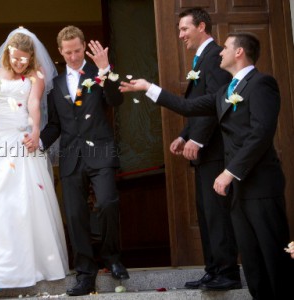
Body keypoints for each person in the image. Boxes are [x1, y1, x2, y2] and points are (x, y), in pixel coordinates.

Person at [119, 32, 294, 300]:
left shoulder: (262, 84)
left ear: (239, 52)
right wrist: (148, 88)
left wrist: (229, 171)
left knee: (273, 255)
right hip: (238, 191)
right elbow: (187, 106)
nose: (220, 52)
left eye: (225, 48)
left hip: (261, 185)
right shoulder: (224, 92)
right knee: (251, 258)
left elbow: (261, 134)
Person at [0, 28, 68, 290]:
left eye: (24, 59)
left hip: (22, 139)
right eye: (15, 58)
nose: (19, 63)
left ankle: (32, 264)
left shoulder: (37, 76)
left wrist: (35, 132)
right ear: (8, 53)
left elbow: (34, 105)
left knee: (25, 199)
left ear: (31, 57)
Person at [35, 25, 128, 296]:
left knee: (108, 203)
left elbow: (115, 100)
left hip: (101, 151)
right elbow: (54, 125)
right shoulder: (56, 84)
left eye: (77, 51)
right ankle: (85, 272)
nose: (74, 56)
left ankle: (112, 259)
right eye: (68, 53)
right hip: (70, 157)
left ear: (84, 46)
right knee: (75, 216)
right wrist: (38, 142)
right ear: (60, 52)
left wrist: (105, 70)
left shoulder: (99, 72)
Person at [173, 8, 240, 291]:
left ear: (201, 26)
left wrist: (198, 139)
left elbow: (217, 101)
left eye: (184, 29)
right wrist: (184, 134)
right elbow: (198, 103)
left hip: (215, 150)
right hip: (203, 152)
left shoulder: (214, 56)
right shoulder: (201, 58)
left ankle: (228, 272)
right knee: (205, 213)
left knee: (217, 213)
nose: (180, 35)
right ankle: (212, 270)